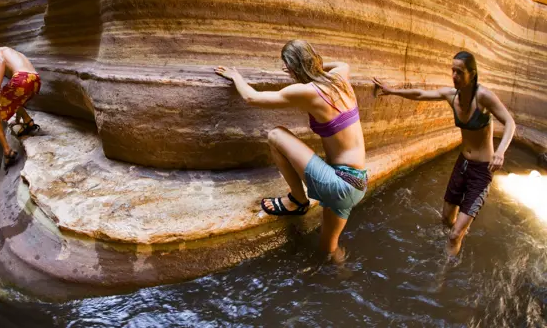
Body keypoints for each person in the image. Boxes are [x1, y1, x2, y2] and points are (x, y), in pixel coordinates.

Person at [215, 39, 367, 259]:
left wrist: (236, 76)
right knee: (329, 249)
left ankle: (297, 201)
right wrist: (313, 67)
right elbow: (342, 63)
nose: (284, 69)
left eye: (286, 65)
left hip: (338, 185)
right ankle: (341, 276)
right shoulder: (340, 76)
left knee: (276, 134)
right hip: (357, 183)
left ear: (293, 66)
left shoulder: (308, 91)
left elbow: (252, 97)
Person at [373, 51, 515, 256]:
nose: (454, 76)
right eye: (452, 71)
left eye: (459, 72)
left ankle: (441, 278)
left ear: (472, 74)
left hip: (481, 171)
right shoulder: (451, 96)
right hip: (462, 164)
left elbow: (510, 122)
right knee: (447, 220)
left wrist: (500, 151)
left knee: (454, 234)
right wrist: (392, 91)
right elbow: (421, 94)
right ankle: (458, 235)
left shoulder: (484, 97)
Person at [0, 47, 42, 169]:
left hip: (22, 78)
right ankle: (28, 122)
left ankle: (7, 151)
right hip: (35, 80)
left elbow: (0, 61)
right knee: (12, 98)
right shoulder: (15, 53)